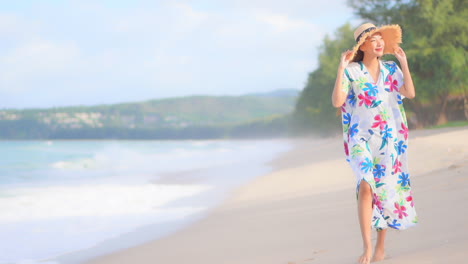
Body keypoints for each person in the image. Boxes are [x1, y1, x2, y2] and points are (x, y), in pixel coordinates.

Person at [331, 23, 418, 264]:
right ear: (363, 46)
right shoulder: (352, 71)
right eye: (373, 39)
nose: (379, 42)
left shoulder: (391, 69)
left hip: (389, 139)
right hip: (360, 139)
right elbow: (338, 101)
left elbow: (409, 93)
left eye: (381, 38)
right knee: (366, 185)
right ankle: (367, 247)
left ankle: (381, 244)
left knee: (384, 189)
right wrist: (340, 68)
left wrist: (405, 65)